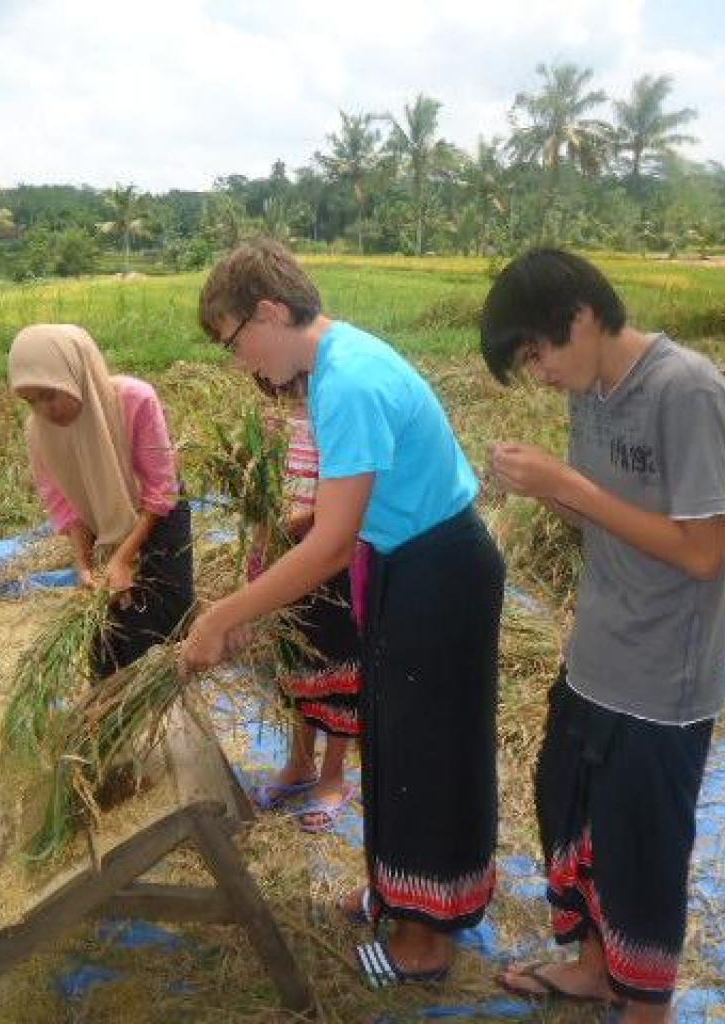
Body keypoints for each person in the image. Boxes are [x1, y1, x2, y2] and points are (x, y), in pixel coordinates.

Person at [179, 240, 504, 987]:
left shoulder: (348, 382)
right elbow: (334, 529)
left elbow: (329, 545)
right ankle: (396, 895)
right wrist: (251, 615)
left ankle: (425, 941)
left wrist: (220, 614)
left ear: (269, 311)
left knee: (428, 753)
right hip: (404, 562)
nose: (241, 363)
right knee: (391, 738)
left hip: (439, 573)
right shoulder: (335, 366)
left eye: (235, 343)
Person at [479, 249, 725, 1023]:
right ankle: (596, 970)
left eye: (538, 353)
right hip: (597, 652)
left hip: (663, 675)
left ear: (584, 318)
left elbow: (702, 552)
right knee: (571, 815)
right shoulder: (591, 390)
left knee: (643, 849)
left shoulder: (685, 391)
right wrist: (545, 489)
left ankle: (646, 1008)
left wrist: (567, 485)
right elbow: (602, 515)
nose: (539, 374)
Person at [8, 324, 192, 677]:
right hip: (101, 528)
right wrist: (84, 563)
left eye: (50, 395)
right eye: (31, 401)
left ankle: (164, 709)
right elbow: (62, 503)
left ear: (77, 375)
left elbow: (161, 489)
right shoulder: (38, 431)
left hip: (158, 518)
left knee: (164, 625)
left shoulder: (134, 400)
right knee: (110, 636)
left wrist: (124, 558)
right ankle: (110, 716)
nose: (45, 410)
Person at [246, 372, 361, 834]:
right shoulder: (270, 423)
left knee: (338, 670)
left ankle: (334, 776)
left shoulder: (337, 420)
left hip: (334, 566)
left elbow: (347, 498)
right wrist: (260, 548)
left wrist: (295, 524)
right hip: (283, 559)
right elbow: (262, 494)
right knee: (295, 665)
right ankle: (299, 763)